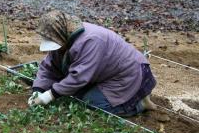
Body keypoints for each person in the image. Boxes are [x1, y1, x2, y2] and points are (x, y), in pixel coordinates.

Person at [28, 10, 157, 117]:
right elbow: (48, 67)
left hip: (128, 74)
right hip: (104, 73)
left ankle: (140, 103)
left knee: (91, 103)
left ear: (60, 33)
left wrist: (49, 95)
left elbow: (78, 77)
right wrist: (38, 90)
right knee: (74, 94)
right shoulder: (63, 38)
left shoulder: (91, 41)